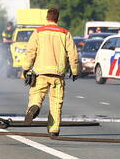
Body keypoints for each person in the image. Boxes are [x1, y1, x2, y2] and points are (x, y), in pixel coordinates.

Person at [21, 8, 80, 137]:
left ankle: (34, 107)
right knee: (56, 102)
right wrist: (74, 71)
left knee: (36, 94)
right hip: (57, 74)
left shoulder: (38, 32)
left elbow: (30, 51)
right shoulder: (65, 33)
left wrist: (26, 68)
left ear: (46, 18)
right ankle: (53, 129)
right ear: (57, 19)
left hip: (40, 72)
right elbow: (73, 54)